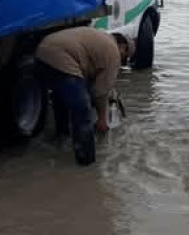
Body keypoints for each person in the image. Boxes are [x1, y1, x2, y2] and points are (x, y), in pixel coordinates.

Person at [35, 27, 134, 165]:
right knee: (83, 111)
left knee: (61, 99)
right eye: (125, 56)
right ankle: (86, 164)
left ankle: (60, 140)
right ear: (122, 46)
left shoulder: (99, 37)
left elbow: (88, 78)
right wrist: (101, 120)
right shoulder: (113, 52)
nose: (122, 60)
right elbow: (100, 91)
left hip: (41, 53)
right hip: (62, 58)